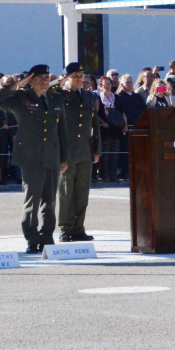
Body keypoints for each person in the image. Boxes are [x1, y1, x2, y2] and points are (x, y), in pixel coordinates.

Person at [0, 65, 69, 253]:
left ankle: (47, 236)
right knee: (32, 201)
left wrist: (64, 157)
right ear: (31, 80)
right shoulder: (21, 98)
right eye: (40, 78)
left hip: (51, 155)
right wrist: (18, 84)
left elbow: (62, 131)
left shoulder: (55, 98)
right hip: (30, 157)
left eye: (46, 78)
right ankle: (32, 239)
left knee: (50, 201)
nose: (45, 81)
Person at [49, 62, 101, 242]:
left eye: (82, 76)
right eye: (76, 76)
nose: (81, 79)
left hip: (85, 152)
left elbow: (94, 125)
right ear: (67, 77)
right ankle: (65, 228)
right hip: (67, 152)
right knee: (65, 193)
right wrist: (60, 81)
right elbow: (48, 90)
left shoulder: (88, 97)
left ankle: (79, 229)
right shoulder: (60, 94)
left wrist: (97, 149)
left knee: (82, 193)